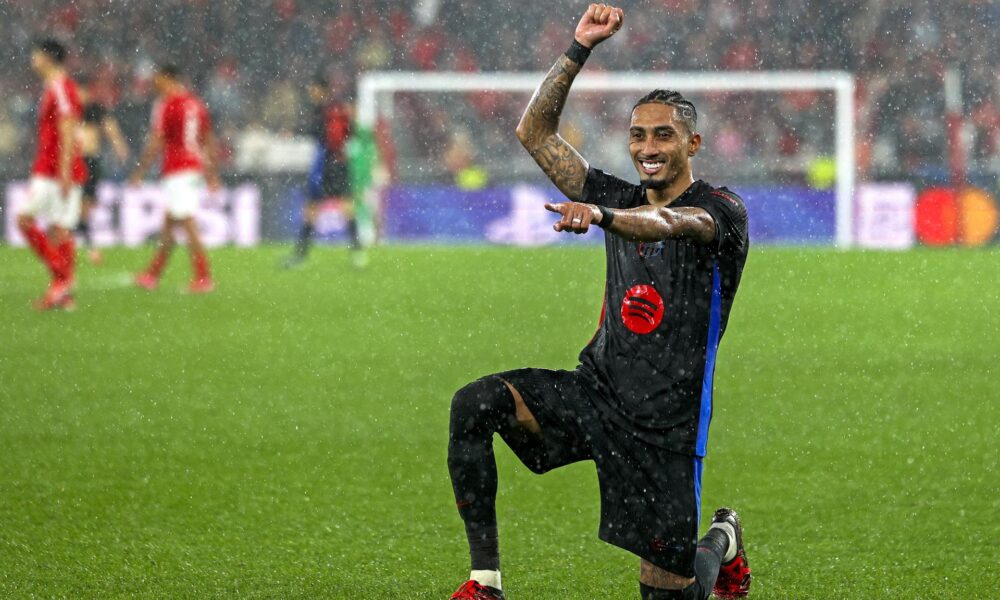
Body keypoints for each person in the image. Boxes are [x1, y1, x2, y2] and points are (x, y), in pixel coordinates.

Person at [446, 5, 752, 600]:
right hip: (597, 395)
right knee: (475, 404)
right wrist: (578, 48)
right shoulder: (622, 192)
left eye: (663, 135)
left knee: (669, 595)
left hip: (667, 425)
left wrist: (604, 216)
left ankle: (720, 540)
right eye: (638, 135)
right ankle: (486, 583)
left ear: (693, 142)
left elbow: (667, 223)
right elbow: (534, 135)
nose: (648, 147)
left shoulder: (722, 210)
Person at [130, 64, 219, 293]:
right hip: (193, 167)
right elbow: (208, 139)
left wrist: (140, 171)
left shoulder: (165, 104)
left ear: (168, 78)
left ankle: (204, 277)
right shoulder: (196, 104)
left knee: (187, 222)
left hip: (178, 169)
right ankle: (152, 274)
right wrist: (211, 173)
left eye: (158, 79)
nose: (154, 83)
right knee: (170, 223)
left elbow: (157, 140)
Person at [16, 39, 87, 311]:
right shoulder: (56, 87)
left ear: (46, 57)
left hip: (53, 169)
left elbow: (68, 127)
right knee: (59, 229)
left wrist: (66, 169)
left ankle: (62, 278)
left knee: (24, 220)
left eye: (35, 54)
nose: (33, 60)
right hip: (55, 167)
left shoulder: (60, 87)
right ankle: (64, 294)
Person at [282, 75, 364, 268]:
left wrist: (295, 131)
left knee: (312, 208)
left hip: (325, 164)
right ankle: (358, 253)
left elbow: (318, 133)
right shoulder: (338, 108)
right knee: (346, 207)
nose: (311, 93)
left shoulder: (325, 110)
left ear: (321, 90)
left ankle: (300, 256)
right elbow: (350, 133)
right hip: (340, 162)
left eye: (313, 89)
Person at [77, 77, 130, 265]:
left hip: (90, 163)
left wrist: (120, 147)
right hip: (74, 163)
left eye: (82, 92)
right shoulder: (69, 111)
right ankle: (89, 248)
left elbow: (111, 129)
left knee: (86, 207)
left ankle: (83, 244)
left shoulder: (94, 110)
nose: (79, 96)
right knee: (78, 208)